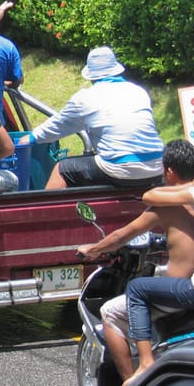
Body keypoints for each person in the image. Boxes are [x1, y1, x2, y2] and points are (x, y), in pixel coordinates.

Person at [76, 139, 194, 384]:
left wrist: (94, 249)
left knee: (111, 311)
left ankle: (137, 374)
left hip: (183, 291)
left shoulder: (167, 204)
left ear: (169, 171)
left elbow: (122, 235)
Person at [22, 46, 164, 189]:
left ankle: (46, 211)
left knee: (61, 169)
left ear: (91, 76)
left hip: (119, 168)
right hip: (157, 165)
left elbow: (57, 126)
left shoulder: (85, 98)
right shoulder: (139, 91)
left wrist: (30, 138)